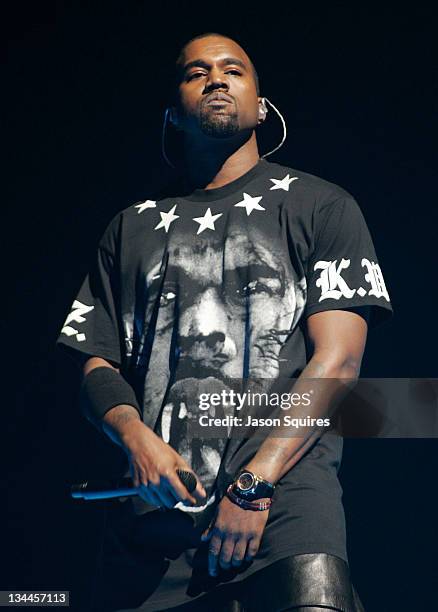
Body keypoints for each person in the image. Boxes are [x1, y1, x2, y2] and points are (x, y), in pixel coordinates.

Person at [56, 32, 393, 611]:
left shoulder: (320, 205)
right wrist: (135, 438)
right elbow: (96, 362)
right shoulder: (130, 227)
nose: (215, 78)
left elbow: (338, 362)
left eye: (232, 69)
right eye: (196, 72)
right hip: (152, 535)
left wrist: (256, 484)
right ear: (172, 112)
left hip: (285, 514)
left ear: (261, 106)